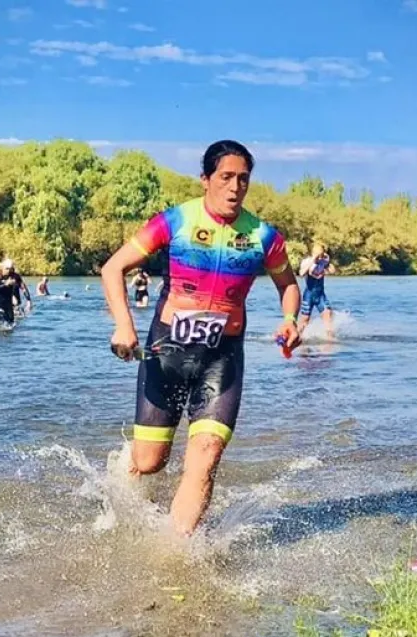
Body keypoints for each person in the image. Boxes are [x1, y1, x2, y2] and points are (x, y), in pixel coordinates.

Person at [101, 140, 302, 537]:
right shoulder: (174, 221)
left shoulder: (264, 236)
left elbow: (288, 284)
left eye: (243, 179)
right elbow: (113, 268)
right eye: (226, 177)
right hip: (167, 354)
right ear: (206, 179)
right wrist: (124, 325)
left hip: (222, 360)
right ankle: (123, 478)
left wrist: (291, 319)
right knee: (149, 462)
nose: (235, 188)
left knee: (206, 456)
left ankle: (176, 555)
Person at [297, 243, 337, 339]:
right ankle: (297, 337)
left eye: (322, 255)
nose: (320, 258)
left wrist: (327, 262)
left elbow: (333, 271)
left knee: (328, 315)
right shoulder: (307, 261)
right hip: (309, 295)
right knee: (304, 321)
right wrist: (313, 261)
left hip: (320, 295)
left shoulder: (324, 261)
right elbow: (301, 274)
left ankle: (330, 340)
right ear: (313, 253)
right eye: (318, 255)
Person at [0, 258, 31, 328]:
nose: (9, 271)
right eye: (7, 268)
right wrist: (5, 285)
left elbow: (23, 287)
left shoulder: (15, 276)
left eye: (11, 268)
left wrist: (29, 301)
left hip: (8, 302)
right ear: (2, 267)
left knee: (11, 323)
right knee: (2, 317)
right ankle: (0, 333)